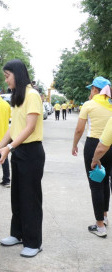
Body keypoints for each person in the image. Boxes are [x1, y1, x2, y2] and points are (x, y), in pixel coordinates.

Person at [0, 59, 45, 258]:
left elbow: (29, 128)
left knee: (30, 198)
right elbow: (13, 129)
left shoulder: (32, 95)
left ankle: (34, 242)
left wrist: (9, 147)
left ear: (18, 74)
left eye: (7, 76)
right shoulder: (18, 97)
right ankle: (18, 234)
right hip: (19, 151)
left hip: (31, 152)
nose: (6, 81)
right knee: (18, 196)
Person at [72, 76, 112, 238]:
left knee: (96, 183)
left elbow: (79, 130)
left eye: (91, 89)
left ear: (96, 90)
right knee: (106, 180)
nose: (90, 92)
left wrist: (74, 144)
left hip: (94, 146)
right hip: (110, 145)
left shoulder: (89, 105)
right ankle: (105, 215)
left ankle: (100, 226)